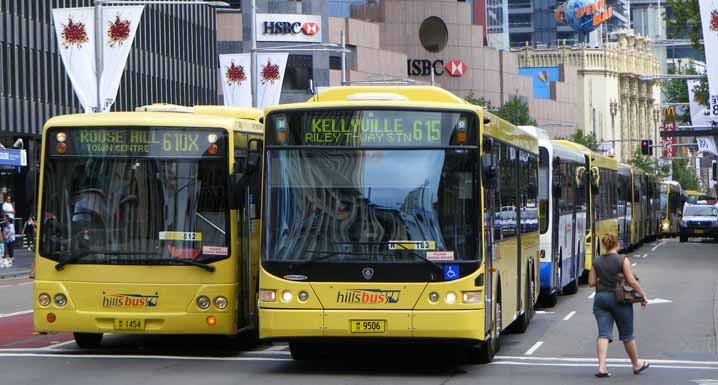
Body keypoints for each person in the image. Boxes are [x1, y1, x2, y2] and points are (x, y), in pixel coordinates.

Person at [589, 233, 650, 377]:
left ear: (604, 245)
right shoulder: (622, 259)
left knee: (603, 333)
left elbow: (591, 282)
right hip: (619, 300)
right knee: (627, 334)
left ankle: (602, 367)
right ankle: (636, 364)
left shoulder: (596, 261)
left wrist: (603, 280)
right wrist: (643, 295)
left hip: (601, 299)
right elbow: (632, 281)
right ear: (617, 244)